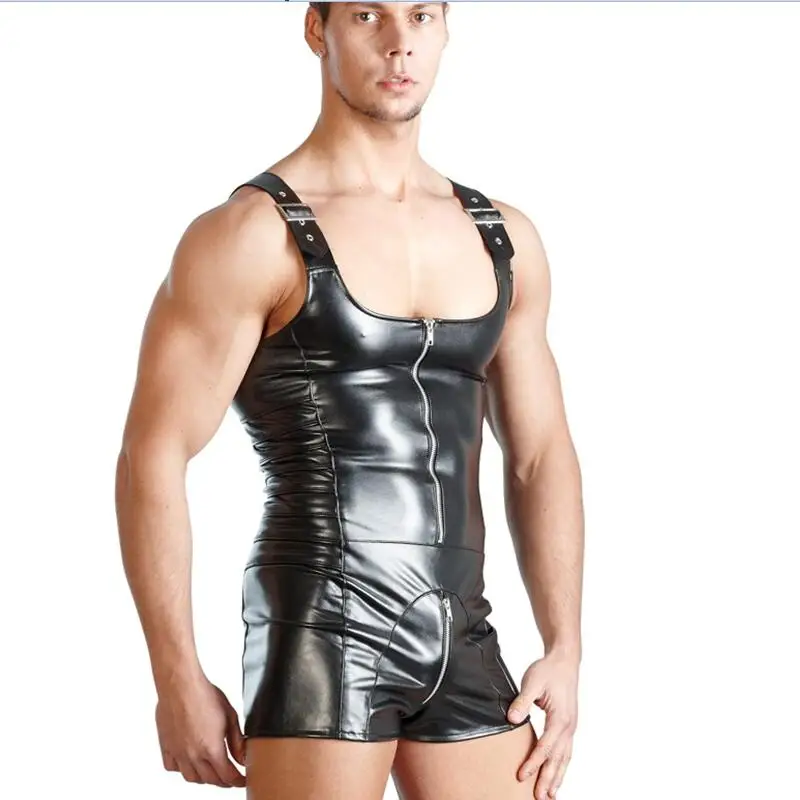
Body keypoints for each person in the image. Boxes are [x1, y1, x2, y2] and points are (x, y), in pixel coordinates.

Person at [114, 2, 584, 799]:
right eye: (368, 14)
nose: (400, 42)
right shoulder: (250, 234)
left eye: (421, 15)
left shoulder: (502, 236)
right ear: (317, 30)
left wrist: (565, 644)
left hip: (463, 631)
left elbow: (540, 456)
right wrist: (175, 674)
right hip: (324, 628)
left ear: (445, 29)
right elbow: (153, 453)